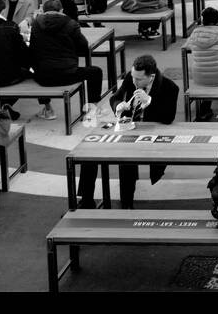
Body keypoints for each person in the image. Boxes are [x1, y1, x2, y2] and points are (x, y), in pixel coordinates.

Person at [77, 56, 181, 209]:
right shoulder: (131, 77)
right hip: (129, 129)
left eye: (138, 79)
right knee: (90, 152)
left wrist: (149, 102)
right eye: (132, 76)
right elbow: (115, 97)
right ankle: (86, 200)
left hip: (153, 136)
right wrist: (118, 106)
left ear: (151, 77)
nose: (134, 82)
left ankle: (126, 205)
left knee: (126, 160)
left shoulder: (170, 87)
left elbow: (168, 118)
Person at [30, 0, 103, 117]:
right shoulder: (71, 23)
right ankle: (92, 107)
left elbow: (32, 48)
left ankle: (47, 108)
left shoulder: (36, 24)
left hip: (43, 77)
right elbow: (84, 47)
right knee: (95, 72)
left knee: (35, 67)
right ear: (61, 10)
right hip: (68, 74)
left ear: (43, 11)